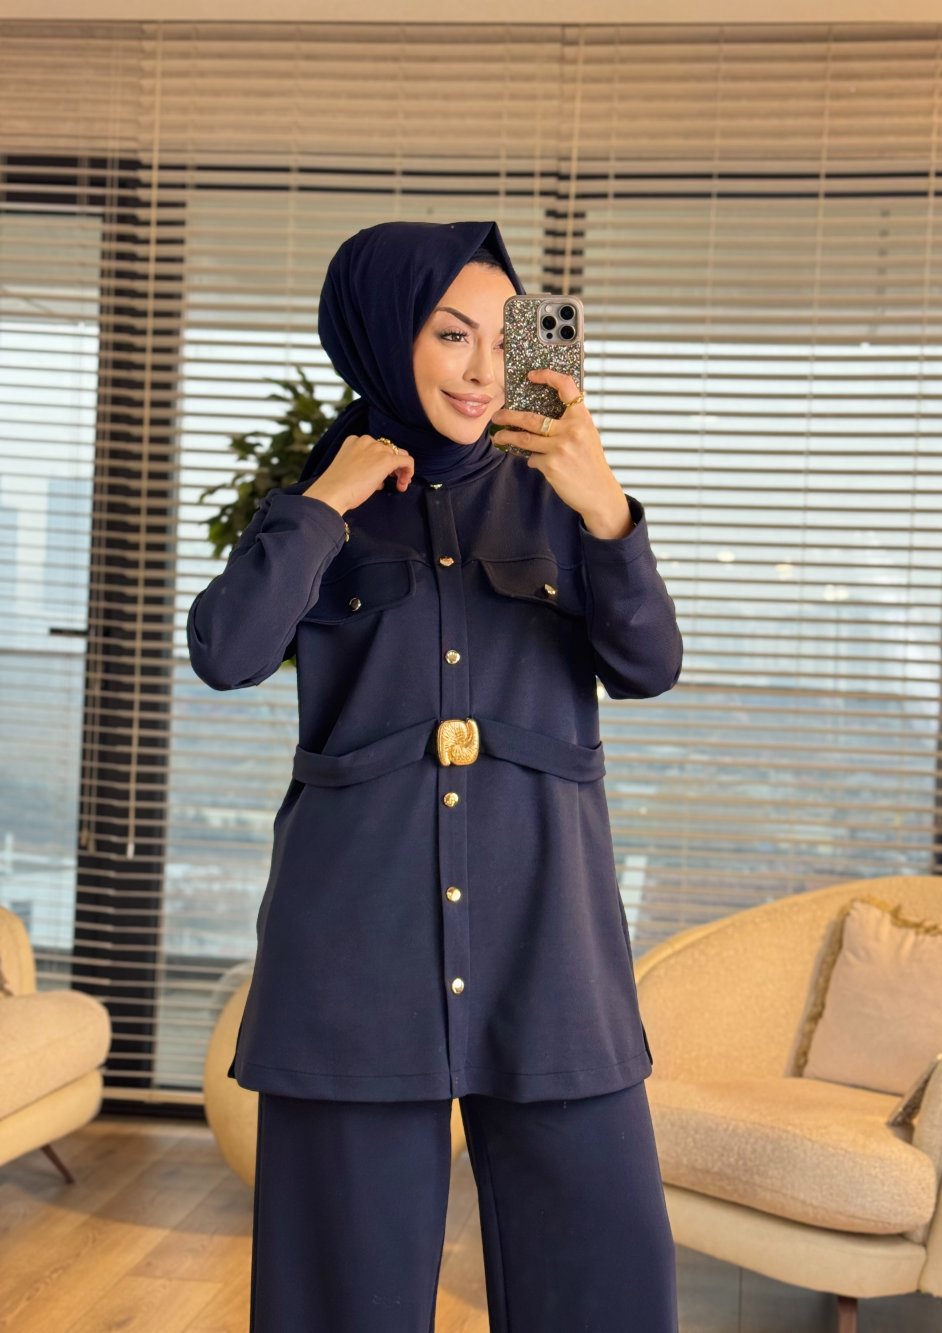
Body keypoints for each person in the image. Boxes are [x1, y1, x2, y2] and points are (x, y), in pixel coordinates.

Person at [187, 220, 683, 1332]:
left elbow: (648, 667)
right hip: (355, 944)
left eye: (502, 337)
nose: (481, 368)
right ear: (381, 333)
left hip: (547, 937)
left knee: (602, 1276)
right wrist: (325, 502)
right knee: (340, 1294)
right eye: (450, 333)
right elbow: (224, 652)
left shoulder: (562, 490)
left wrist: (606, 506)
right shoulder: (320, 501)